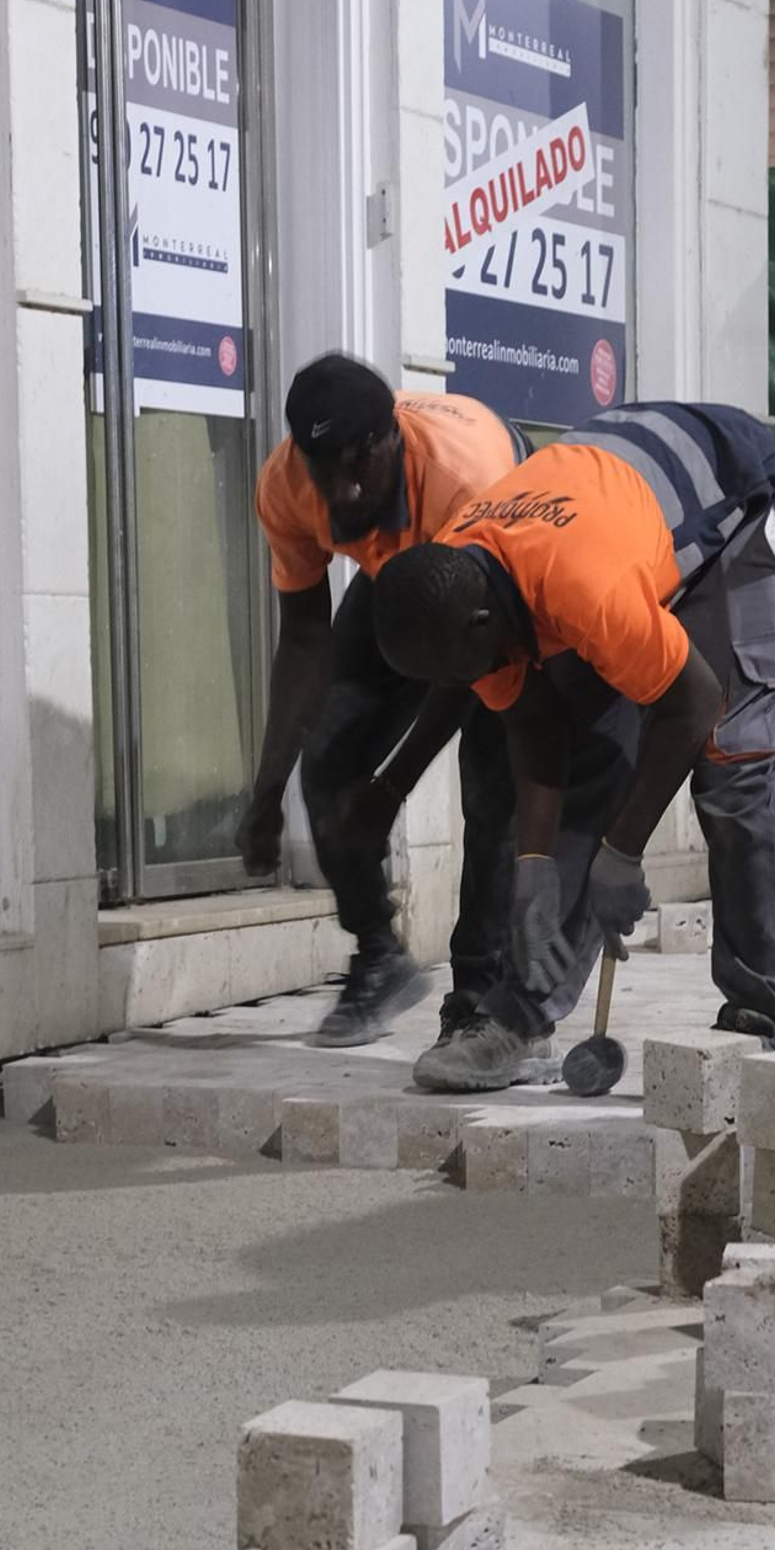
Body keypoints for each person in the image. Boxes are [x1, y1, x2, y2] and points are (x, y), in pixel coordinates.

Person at [369, 402, 775, 1093]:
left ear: (484, 624)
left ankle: (761, 1018)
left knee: (732, 757)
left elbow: (689, 701)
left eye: (463, 670)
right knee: (592, 757)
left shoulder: (585, 588)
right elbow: (538, 726)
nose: (466, 687)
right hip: (612, 504)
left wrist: (623, 853)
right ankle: (520, 1017)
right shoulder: (461, 584)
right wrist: (537, 864)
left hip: (742, 506)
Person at [239, 355, 529, 1049]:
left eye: (354, 469)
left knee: (492, 789)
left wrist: (392, 786)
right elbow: (305, 638)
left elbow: (466, 670)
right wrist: (268, 789)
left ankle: (477, 1001)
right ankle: (379, 954)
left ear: (388, 441)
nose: (339, 491)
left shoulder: (469, 481)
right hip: (401, 567)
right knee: (329, 757)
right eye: (322, 471)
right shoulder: (288, 485)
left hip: (495, 562)